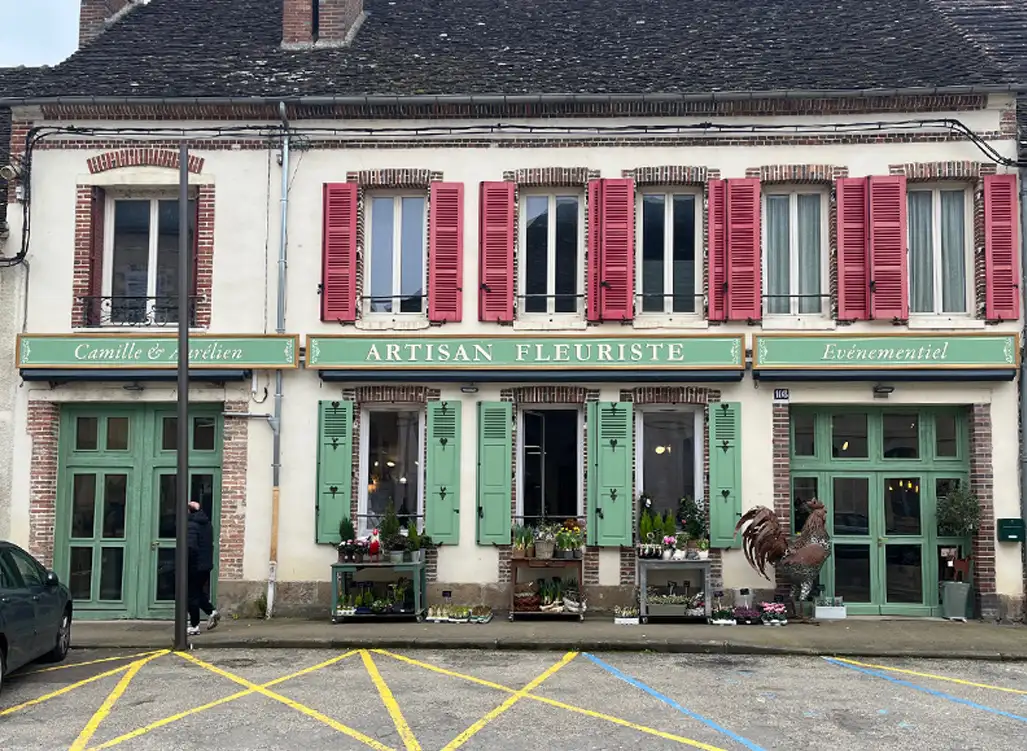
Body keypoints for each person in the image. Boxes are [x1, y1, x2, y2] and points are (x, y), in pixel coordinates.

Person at [187, 500, 220, 636]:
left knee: (190, 596)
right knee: (198, 592)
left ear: (189, 511)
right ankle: (211, 612)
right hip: (206, 565)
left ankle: (194, 626)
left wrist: (186, 563)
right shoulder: (207, 524)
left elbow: (191, 547)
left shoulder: (191, 524)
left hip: (194, 566)